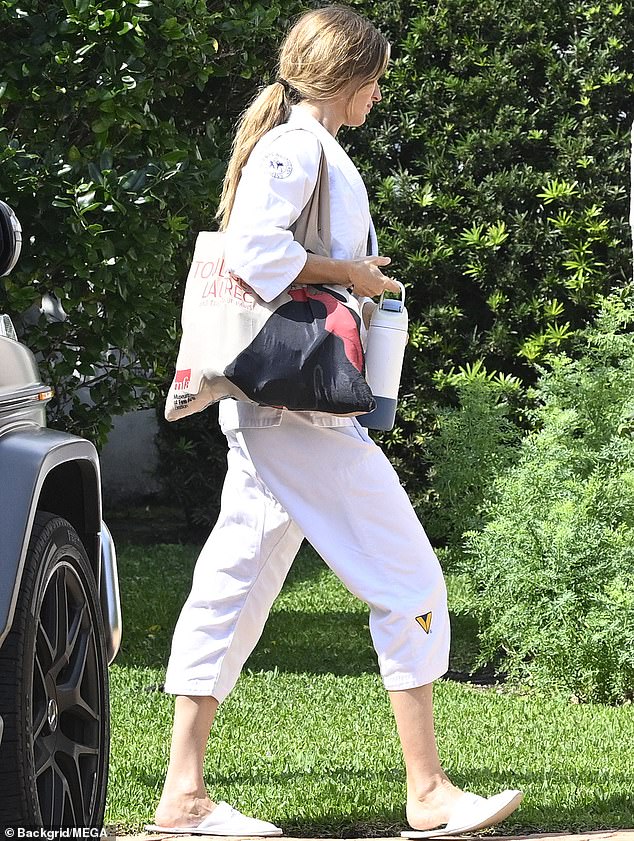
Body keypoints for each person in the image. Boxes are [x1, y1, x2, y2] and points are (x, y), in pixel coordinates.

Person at [148, 5, 523, 838]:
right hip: (296, 412)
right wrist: (350, 272)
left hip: (281, 408)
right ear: (347, 75)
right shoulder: (295, 147)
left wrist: (354, 277)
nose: (380, 94)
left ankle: (183, 795)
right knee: (408, 575)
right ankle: (427, 792)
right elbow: (255, 252)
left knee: (232, 587)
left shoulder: (307, 147)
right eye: (376, 78)